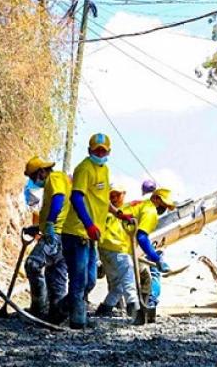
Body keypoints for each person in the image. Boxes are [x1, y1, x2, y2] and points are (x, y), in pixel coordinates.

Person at [61, 133, 130, 329]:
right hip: (77, 232)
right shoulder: (84, 169)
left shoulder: (105, 170)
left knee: (90, 280)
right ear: (89, 150)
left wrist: (118, 214)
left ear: (109, 151)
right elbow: (76, 197)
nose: (100, 153)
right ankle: (77, 321)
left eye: (103, 150)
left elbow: (101, 200)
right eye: (96, 150)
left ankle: (59, 310)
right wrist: (88, 224)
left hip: (92, 234)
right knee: (79, 278)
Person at [23, 156, 71, 323]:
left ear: (42, 171)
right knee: (55, 278)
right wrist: (38, 228)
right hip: (63, 235)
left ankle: (38, 309)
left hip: (55, 236)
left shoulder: (55, 178)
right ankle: (55, 317)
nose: (32, 181)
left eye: (32, 177)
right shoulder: (59, 179)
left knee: (33, 264)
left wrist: (49, 223)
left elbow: (59, 199)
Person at [131, 187, 175, 325]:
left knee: (151, 276)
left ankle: (148, 306)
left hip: (154, 246)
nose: (164, 208)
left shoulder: (143, 207)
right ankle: (147, 306)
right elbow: (142, 235)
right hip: (147, 246)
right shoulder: (147, 210)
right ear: (156, 198)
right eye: (163, 205)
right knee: (148, 276)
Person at [95, 184, 140, 318]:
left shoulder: (128, 209)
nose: (114, 198)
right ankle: (136, 313)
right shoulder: (111, 211)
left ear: (124, 194)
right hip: (117, 250)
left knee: (117, 286)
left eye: (117, 195)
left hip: (106, 251)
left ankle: (104, 310)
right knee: (129, 283)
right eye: (112, 195)